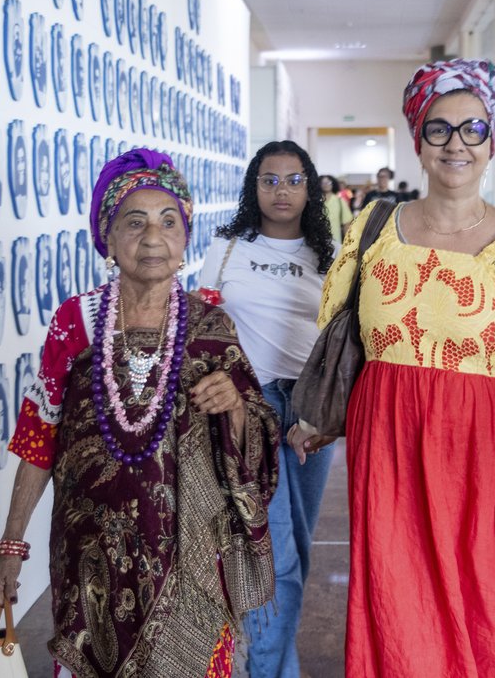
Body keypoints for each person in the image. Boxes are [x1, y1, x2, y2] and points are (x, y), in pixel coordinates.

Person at [291, 59, 495, 676]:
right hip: (390, 458)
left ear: (493, 139)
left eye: (473, 129)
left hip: (487, 463)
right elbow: (356, 346)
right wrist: (323, 417)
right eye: (439, 129)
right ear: (417, 139)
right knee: (397, 611)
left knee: (491, 608)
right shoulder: (374, 233)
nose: (456, 143)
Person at [0, 149, 280, 676]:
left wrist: (232, 406)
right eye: (134, 223)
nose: (153, 238)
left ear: (185, 240)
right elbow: (39, 437)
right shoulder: (77, 322)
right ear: (108, 240)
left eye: (168, 222)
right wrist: (11, 544)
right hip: (86, 554)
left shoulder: (211, 328)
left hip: (191, 558)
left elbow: (256, 431)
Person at [199, 141, 337, 678]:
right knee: (273, 554)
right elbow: (203, 323)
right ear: (254, 187)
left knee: (295, 548)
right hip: (246, 406)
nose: (282, 190)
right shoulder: (228, 247)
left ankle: (279, 663)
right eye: (270, 180)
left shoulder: (331, 255)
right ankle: (269, 670)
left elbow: (345, 335)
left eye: (294, 180)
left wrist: (327, 413)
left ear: (311, 188)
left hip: (308, 410)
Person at [319, 174, 352, 244]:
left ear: (333, 184)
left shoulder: (340, 201)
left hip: (335, 242)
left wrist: (347, 243)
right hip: (317, 242)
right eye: (323, 182)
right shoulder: (315, 201)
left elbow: (346, 223)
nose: (326, 184)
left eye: (329, 182)